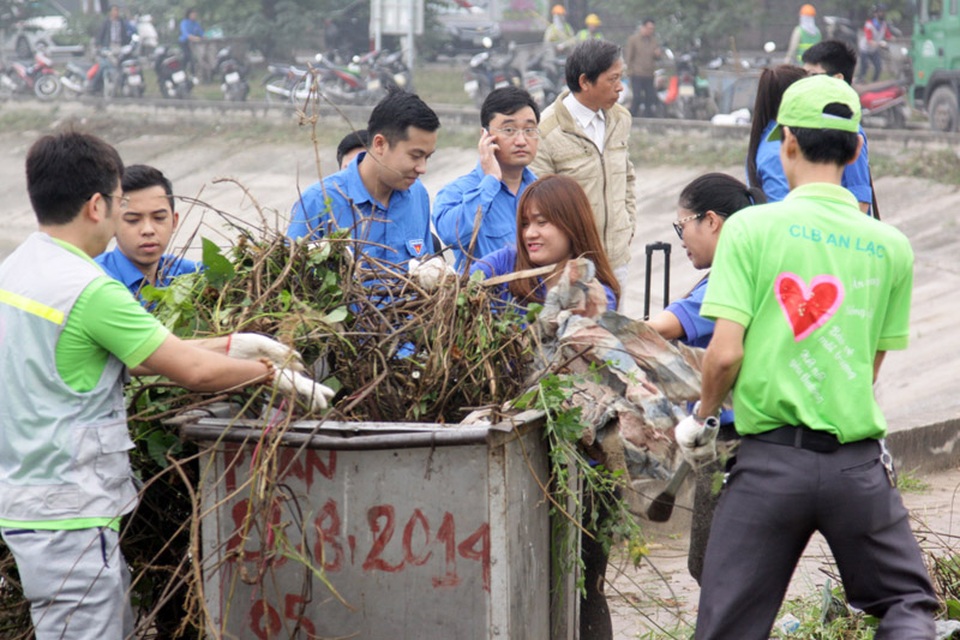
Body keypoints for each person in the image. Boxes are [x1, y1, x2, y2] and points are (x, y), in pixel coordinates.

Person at [0, 129, 333, 640]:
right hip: (71, 513)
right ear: (96, 205)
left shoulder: (18, 270)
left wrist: (234, 344)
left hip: (30, 501)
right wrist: (271, 375)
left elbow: (137, 358)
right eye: (119, 204)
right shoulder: (90, 289)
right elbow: (190, 373)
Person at [680, 74, 938, 638]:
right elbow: (868, 365)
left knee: (725, 624)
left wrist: (700, 417)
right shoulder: (891, 246)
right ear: (858, 148)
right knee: (907, 604)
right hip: (857, 468)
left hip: (769, 466)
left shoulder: (750, 229)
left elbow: (723, 355)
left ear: (786, 142)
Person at [471, 174, 619, 639]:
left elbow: (561, 364)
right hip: (520, 460)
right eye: (526, 223)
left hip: (584, 464)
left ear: (572, 226)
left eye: (545, 222)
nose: (531, 233)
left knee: (581, 585)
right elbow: (462, 295)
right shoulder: (503, 266)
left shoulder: (591, 289)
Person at [646, 173, 766, 584]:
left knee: (711, 566)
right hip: (771, 435)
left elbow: (660, 328)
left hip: (732, 444)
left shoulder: (729, 276)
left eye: (683, 226)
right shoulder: (763, 263)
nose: (681, 239)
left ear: (711, 220)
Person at [287, 90, 440, 269]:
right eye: (415, 156)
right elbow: (292, 280)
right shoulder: (318, 202)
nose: (422, 168)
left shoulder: (417, 194)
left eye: (427, 157)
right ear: (380, 144)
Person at [531, 39, 637, 293]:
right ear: (584, 82)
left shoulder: (620, 119)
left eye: (620, 78)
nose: (620, 88)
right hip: (572, 267)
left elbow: (627, 177)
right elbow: (540, 204)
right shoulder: (547, 131)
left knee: (613, 331)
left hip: (616, 260)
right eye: (612, 79)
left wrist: (628, 224)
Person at [433, 87, 540, 271]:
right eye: (509, 129)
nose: (521, 140)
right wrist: (490, 181)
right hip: (484, 298)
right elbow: (452, 235)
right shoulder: (456, 192)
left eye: (529, 130)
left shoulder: (542, 191)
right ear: (485, 136)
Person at [95, 164, 199, 301]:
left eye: (159, 218)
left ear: (174, 222)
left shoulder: (187, 274)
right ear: (112, 225)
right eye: (133, 220)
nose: (148, 230)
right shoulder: (97, 283)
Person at [803, 39, 877, 216]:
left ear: (837, 79)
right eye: (803, 76)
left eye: (813, 76)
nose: (805, 84)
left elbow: (860, 201)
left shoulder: (848, 130)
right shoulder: (814, 123)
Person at [626, 19, 661, 118]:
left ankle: (648, 117)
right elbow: (629, 56)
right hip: (637, 73)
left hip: (649, 74)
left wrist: (657, 55)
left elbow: (657, 57)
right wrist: (629, 71)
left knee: (650, 96)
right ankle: (632, 115)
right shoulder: (633, 40)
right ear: (643, 27)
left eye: (652, 29)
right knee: (637, 96)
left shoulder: (653, 41)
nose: (650, 31)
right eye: (649, 28)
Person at [857, 4, 895, 83]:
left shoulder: (884, 24)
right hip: (865, 49)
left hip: (874, 49)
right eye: (880, 12)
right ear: (875, 14)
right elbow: (869, 40)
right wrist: (880, 44)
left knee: (878, 67)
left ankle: (874, 82)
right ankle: (860, 80)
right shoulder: (869, 24)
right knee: (864, 66)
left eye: (883, 12)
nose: (882, 14)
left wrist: (893, 39)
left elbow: (888, 36)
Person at [179, 8, 204, 77]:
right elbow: (186, 34)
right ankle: (182, 70)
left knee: (193, 58)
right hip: (184, 42)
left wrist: (203, 37)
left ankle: (193, 74)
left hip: (194, 44)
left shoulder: (196, 24)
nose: (194, 16)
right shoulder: (184, 23)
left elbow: (201, 33)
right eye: (193, 14)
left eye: (195, 15)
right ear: (189, 15)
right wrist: (195, 38)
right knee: (188, 56)